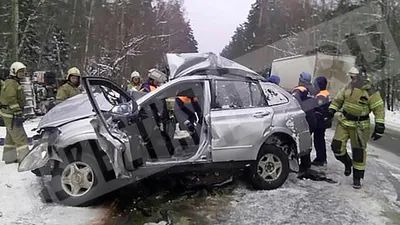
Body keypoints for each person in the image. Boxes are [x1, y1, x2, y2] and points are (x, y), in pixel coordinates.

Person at [327, 66, 385, 189]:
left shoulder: (370, 91)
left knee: (358, 153)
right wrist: (331, 111)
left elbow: (379, 108)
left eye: (353, 77)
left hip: (360, 127)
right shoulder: (348, 87)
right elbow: (338, 100)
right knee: (336, 147)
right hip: (344, 122)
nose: (351, 79)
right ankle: (348, 163)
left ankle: (357, 178)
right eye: (351, 77)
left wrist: (379, 126)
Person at [0, 62, 29, 164]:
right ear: (13, 72)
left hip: (8, 114)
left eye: (23, 72)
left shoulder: (13, 82)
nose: (22, 74)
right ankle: (26, 160)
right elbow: (10, 98)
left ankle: (9, 157)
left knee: (10, 137)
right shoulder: (11, 83)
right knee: (20, 137)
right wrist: (17, 111)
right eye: (20, 72)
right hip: (11, 114)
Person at [292, 72, 317, 177]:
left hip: (303, 119)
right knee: (306, 141)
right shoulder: (314, 89)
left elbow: (293, 102)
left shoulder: (300, 90)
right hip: (312, 118)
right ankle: (306, 164)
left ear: (301, 80)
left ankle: (303, 166)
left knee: (301, 142)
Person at [311, 76, 331, 167]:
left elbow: (319, 110)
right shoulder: (325, 93)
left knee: (318, 140)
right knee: (320, 140)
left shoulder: (321, 96)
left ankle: (321, 159)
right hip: (324, 121)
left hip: (321, 122)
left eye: (316, 84)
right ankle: (322, 158)